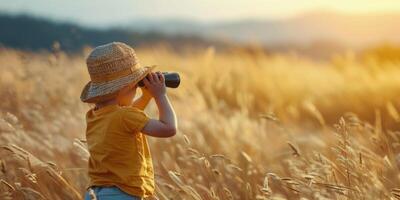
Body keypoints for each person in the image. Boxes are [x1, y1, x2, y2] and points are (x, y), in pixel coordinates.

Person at [80, 42, 177, 200]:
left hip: (95, 193)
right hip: (123, 194)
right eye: (136, 85)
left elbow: (128, 117)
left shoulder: (94, 115)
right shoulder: (124, 116)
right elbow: (169, 128)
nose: (137, 89)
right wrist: (160, 95)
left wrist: (146, 96)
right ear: (125, 88)